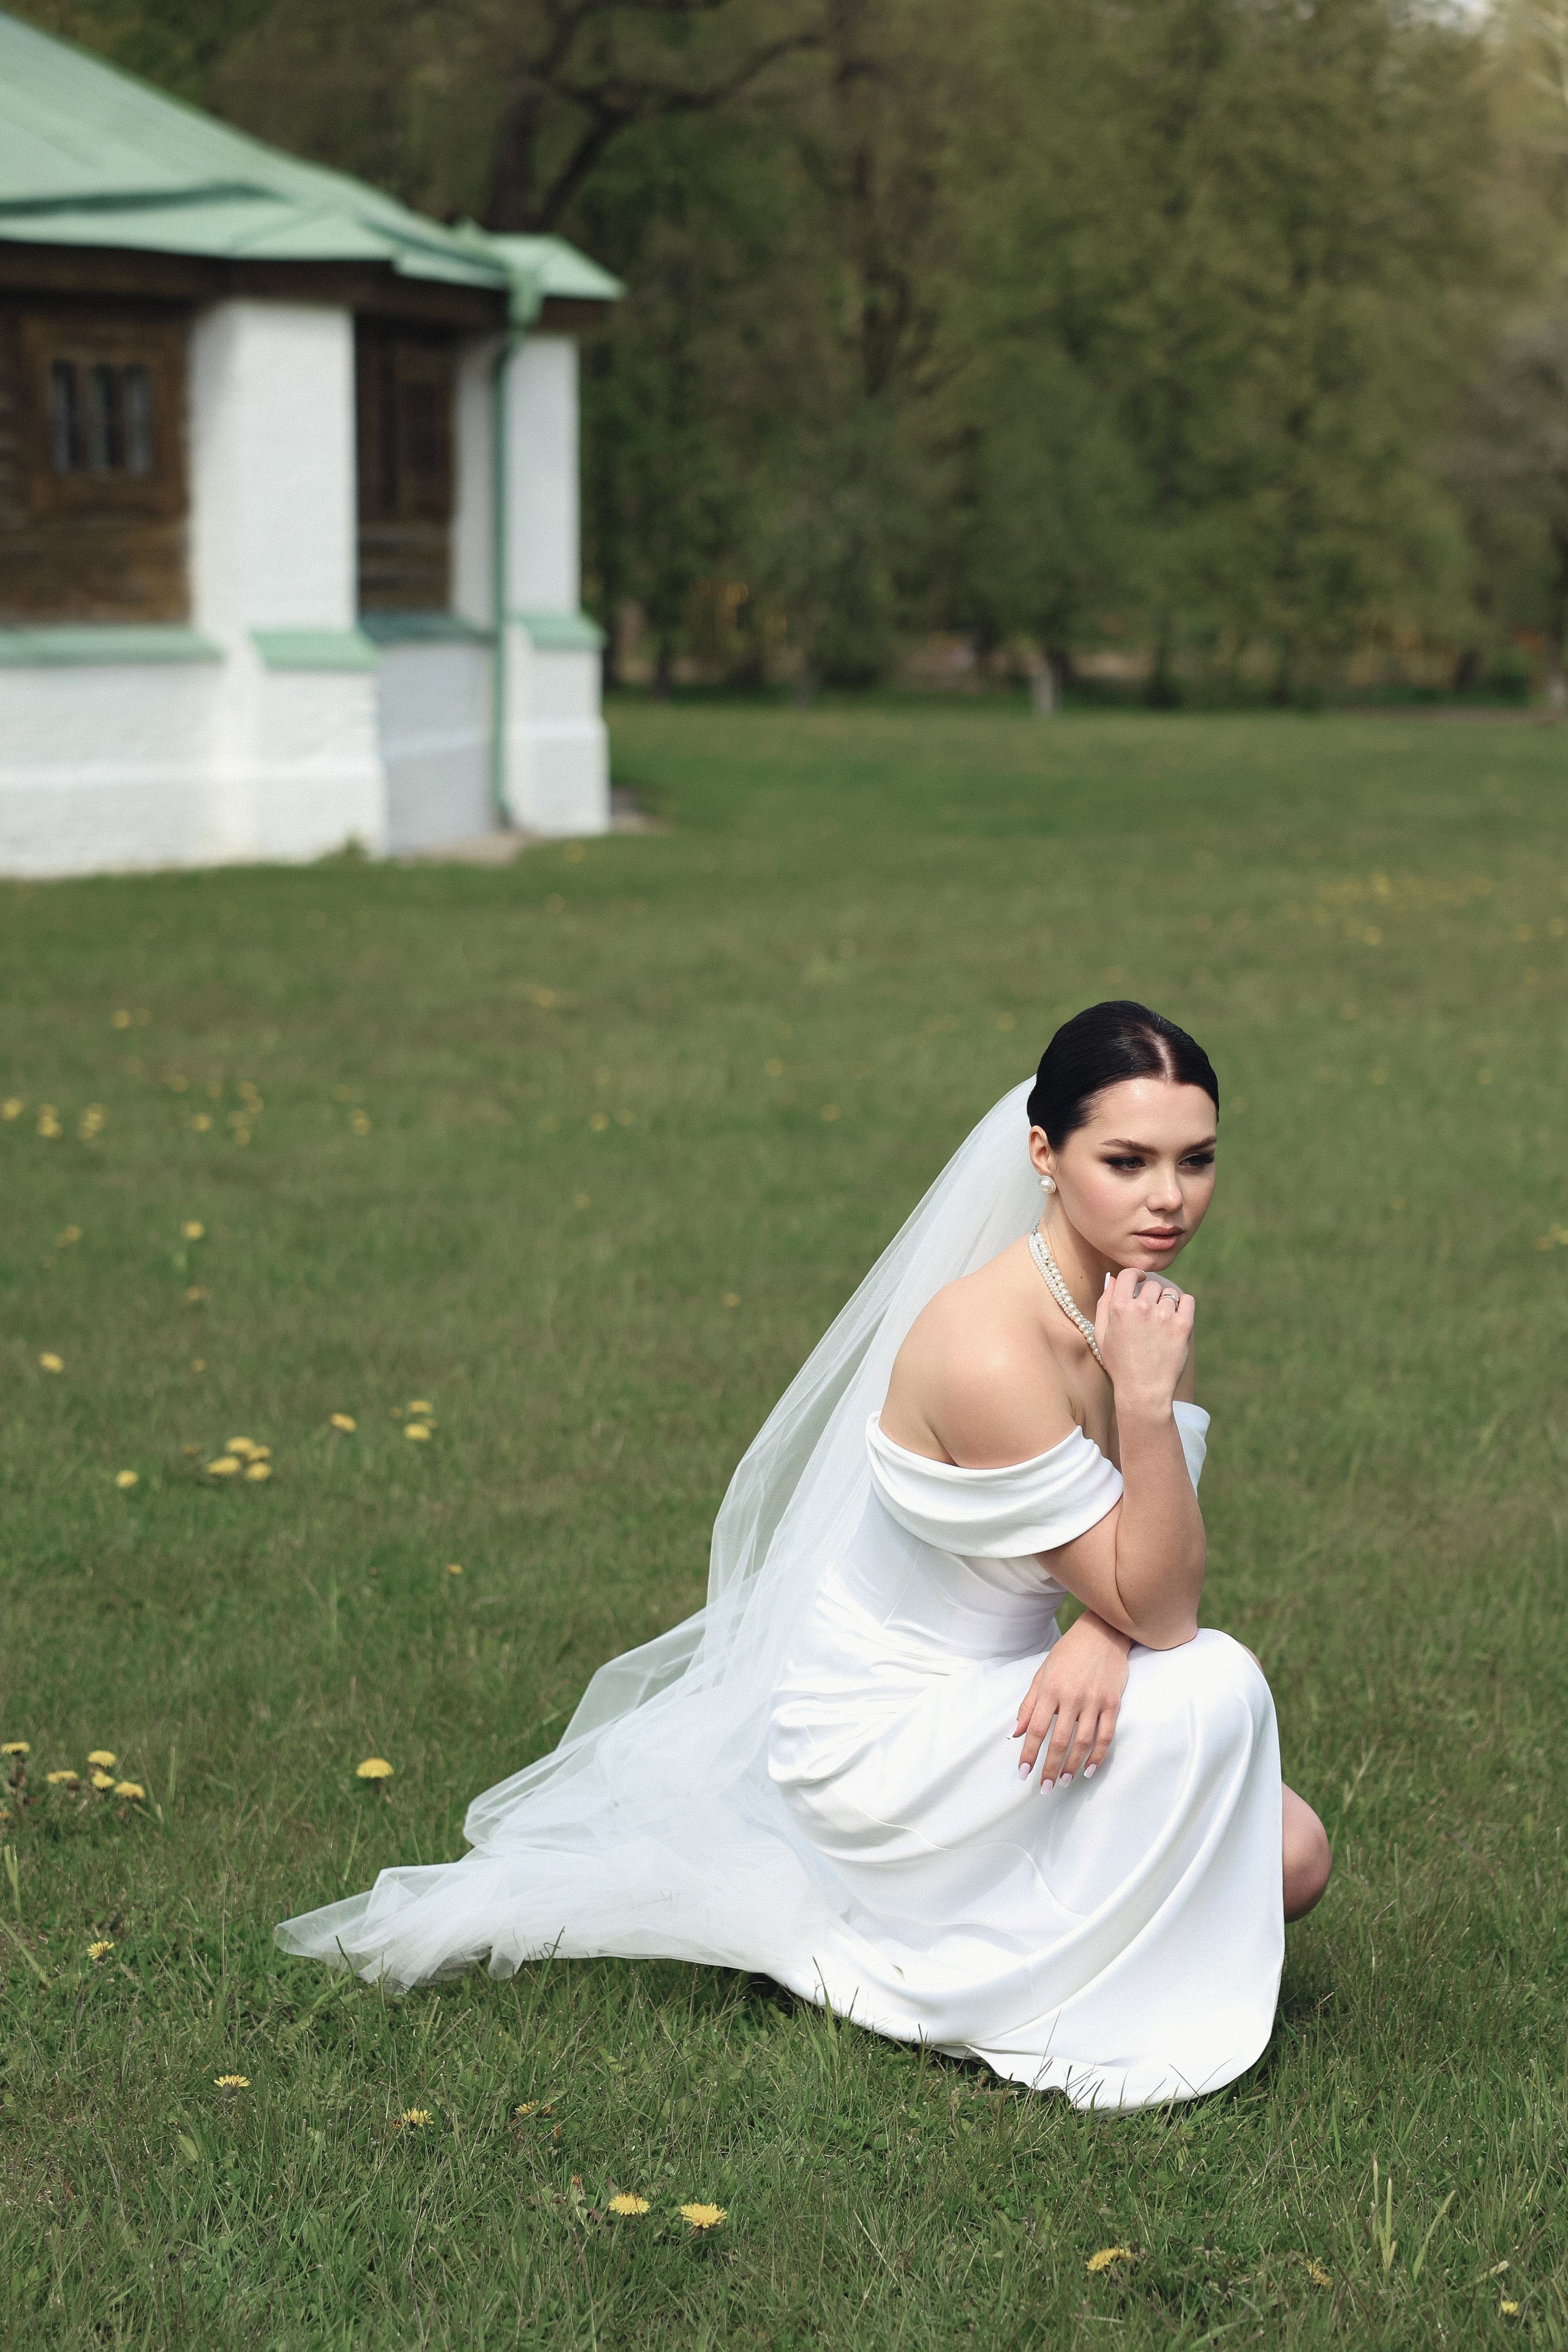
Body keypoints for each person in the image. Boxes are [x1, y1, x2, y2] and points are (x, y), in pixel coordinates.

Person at [278, 1002, 1329, 2109]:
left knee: (1292, 1857)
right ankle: (907, 1961)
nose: (1168, 1198)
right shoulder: (985, 1347)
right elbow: (1168, 1605)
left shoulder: (1136, 1308)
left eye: (1196, 1160)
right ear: (1043, 1155)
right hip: (883, 1735)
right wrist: (1147, 1439)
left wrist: (1105, 1628)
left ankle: (980, 1929)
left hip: (1013, 1693)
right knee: (1216, 1677)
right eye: (1127, 1160)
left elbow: (1144, 1575)